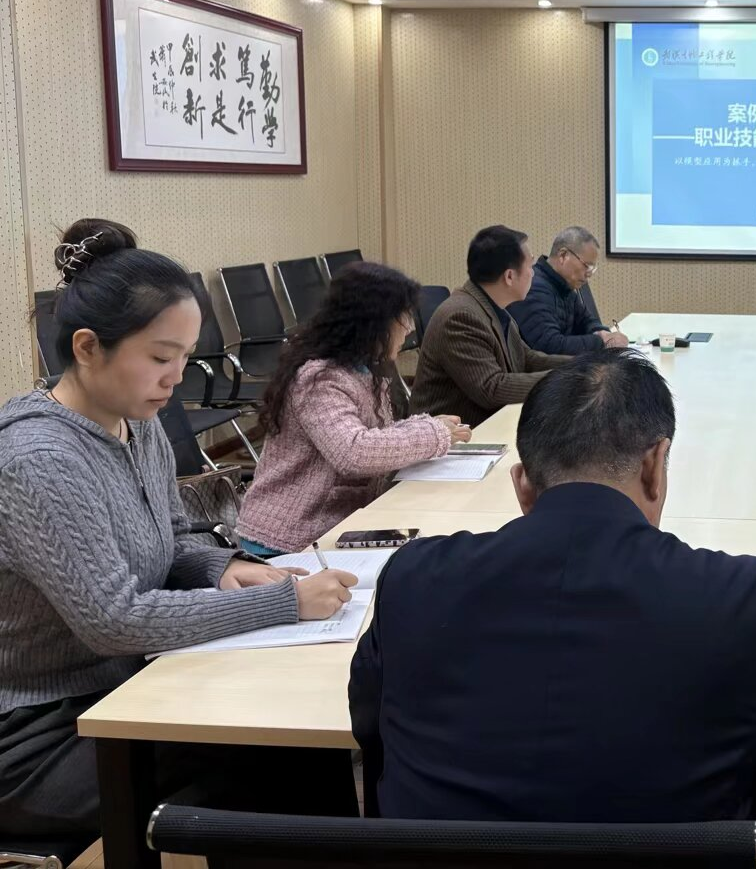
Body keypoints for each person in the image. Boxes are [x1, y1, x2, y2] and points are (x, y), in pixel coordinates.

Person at [351, 349, 756, 823]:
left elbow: (370, 728)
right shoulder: (743, 599)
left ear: (522, 484)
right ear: (655, 465)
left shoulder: (412, 579)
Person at [0, 220, 357, 835]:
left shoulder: (136, 423)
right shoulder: (39, 460)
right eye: (161, 358)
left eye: (186, 358)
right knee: (272, 738)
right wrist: (283, 604)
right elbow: (114, 620)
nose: (177, 377)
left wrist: (224, 568)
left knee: (289, 722)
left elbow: (172, 537)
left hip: (126, 686)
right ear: (87, 348)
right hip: (39, 735)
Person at [236, 262, 473, 556]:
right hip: (286, 540)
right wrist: (432, 434)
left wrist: (425, 426)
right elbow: (354, 452)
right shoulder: (319, 378)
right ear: (374, 322)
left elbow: (372, 434)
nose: (410, 327)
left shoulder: (359, 369)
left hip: (328, 528)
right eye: (403, 316)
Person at [409, 226, 573, 428]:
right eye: (530, 266)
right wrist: (567, 378)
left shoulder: (492, 307)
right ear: (509, 276)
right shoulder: (460, 316)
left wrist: (584, 364)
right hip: (454, 439)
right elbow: (492, 388)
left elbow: (526, 358)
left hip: (488, 426)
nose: (533, 273)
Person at [510, 226, 628, 355]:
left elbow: (587, 321)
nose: (589, 274)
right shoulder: (535, 289)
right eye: (586, 266)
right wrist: (601, 341)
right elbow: (549, 345)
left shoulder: (564, 286)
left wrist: (602, 332)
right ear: (563, 255)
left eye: (592, 268)